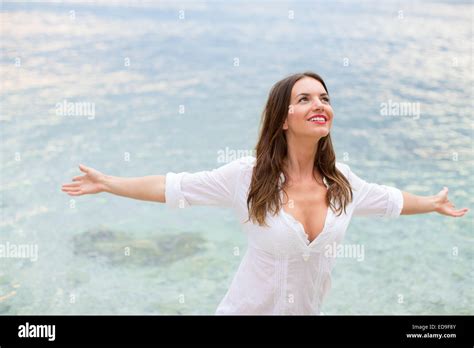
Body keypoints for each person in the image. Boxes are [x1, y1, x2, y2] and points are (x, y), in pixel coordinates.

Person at [61, 71, 469, 315]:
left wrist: (432, 203)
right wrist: (109, 183)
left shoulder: (342, 182)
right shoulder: (247, 177)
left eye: (325, 98)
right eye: (304, 98)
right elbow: (174, 186)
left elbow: (391, 201)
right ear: (283, 118)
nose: (319, 103)